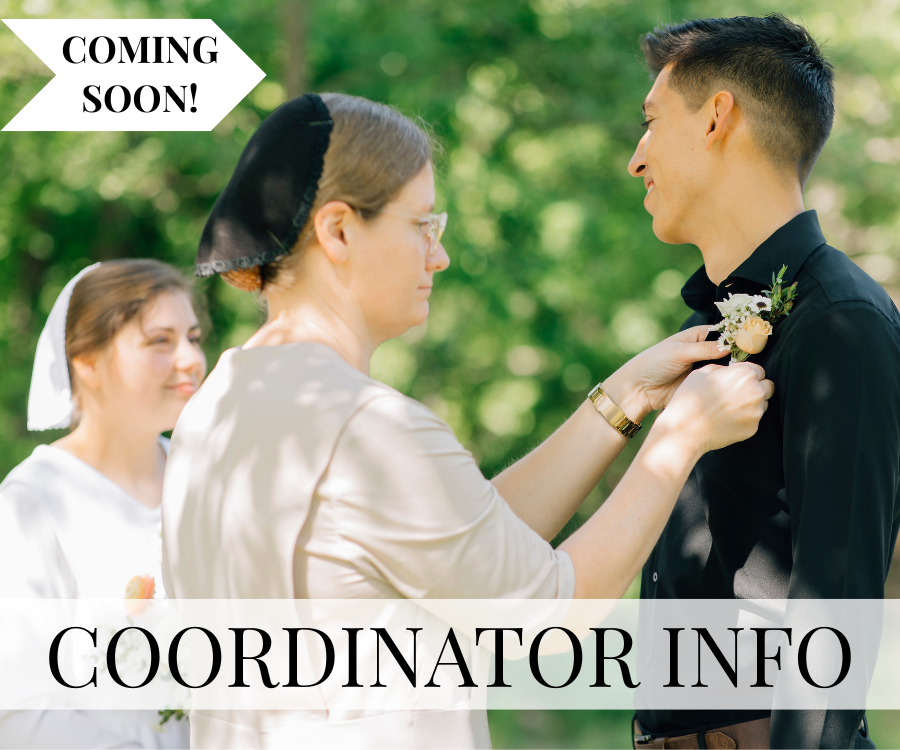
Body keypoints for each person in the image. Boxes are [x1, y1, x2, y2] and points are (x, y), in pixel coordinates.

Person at [161, 92, 773, 749]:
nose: (439, 256)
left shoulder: (220, 405)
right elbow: (547, 614)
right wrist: (678, 441)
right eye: (421, 225)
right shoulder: (368, 429)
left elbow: (469, 544)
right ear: (338, 231)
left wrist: (624, 397)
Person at [626, 13, 900, 750]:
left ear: (718, 117)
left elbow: (833, 621)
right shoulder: (714, 326)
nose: (635, 158)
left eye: (651, 122)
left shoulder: (843, 320)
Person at [0, 259, 206, 748]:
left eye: (194, 338)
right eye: (161, 341)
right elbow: (19, 712)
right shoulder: (32, 504)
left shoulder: (205, 479)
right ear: (86, 361)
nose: (191, 359)